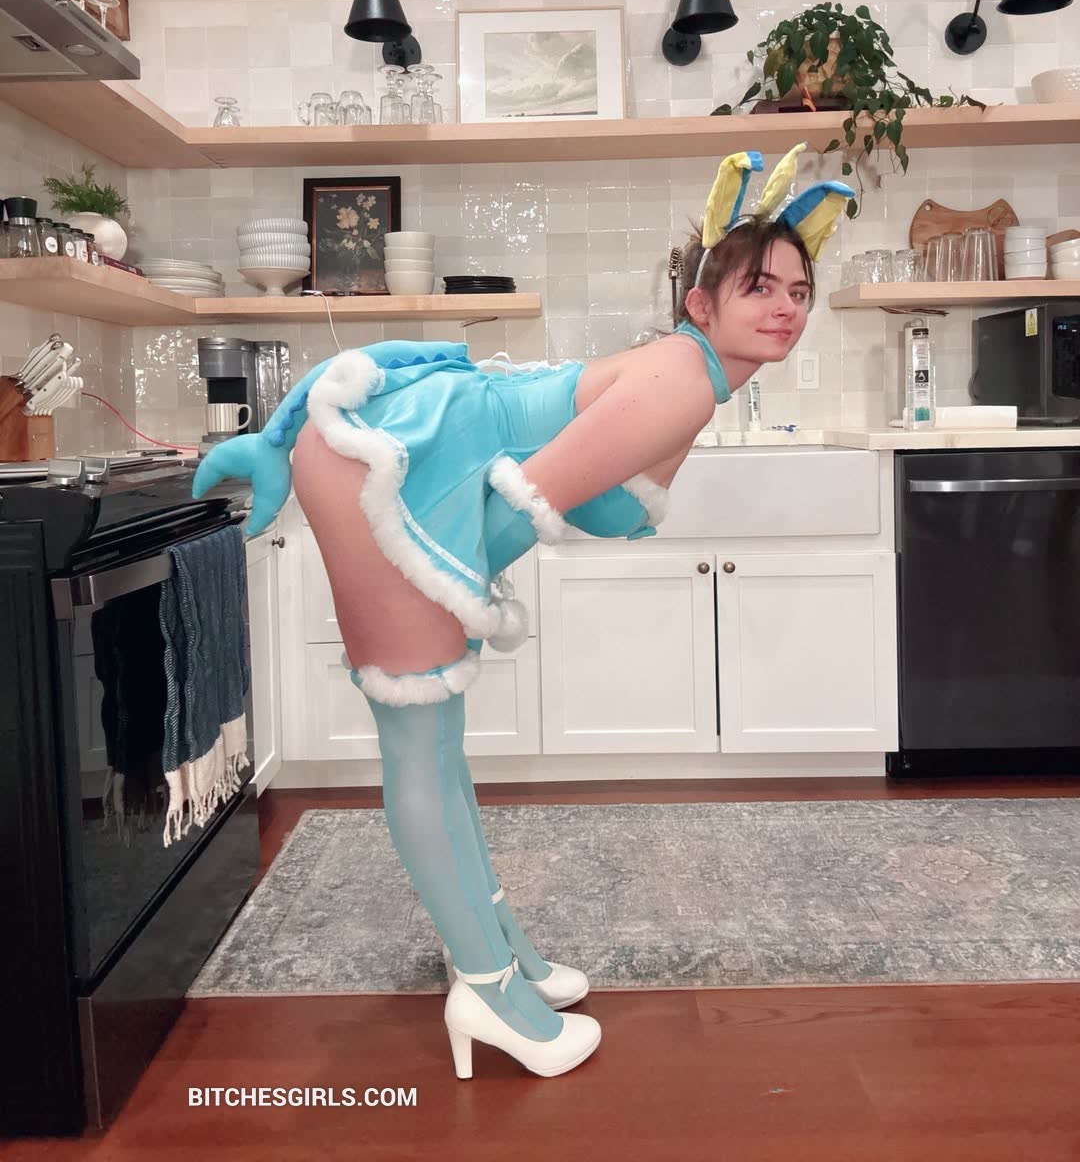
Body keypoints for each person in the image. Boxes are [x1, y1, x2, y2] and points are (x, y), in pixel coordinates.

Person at [192, 146, 853, 1081]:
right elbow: (517, 511)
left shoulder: (692, 375)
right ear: (702, 305)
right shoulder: (682, 376)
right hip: (386, 469)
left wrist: (449, 601)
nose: (785, 306)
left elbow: (582, 500)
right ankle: (485, 987)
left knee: (437, 740)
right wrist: (444, 600)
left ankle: (503, 953)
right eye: (760, 287)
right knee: (420, 737)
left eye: (799, 290)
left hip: (399, 453)